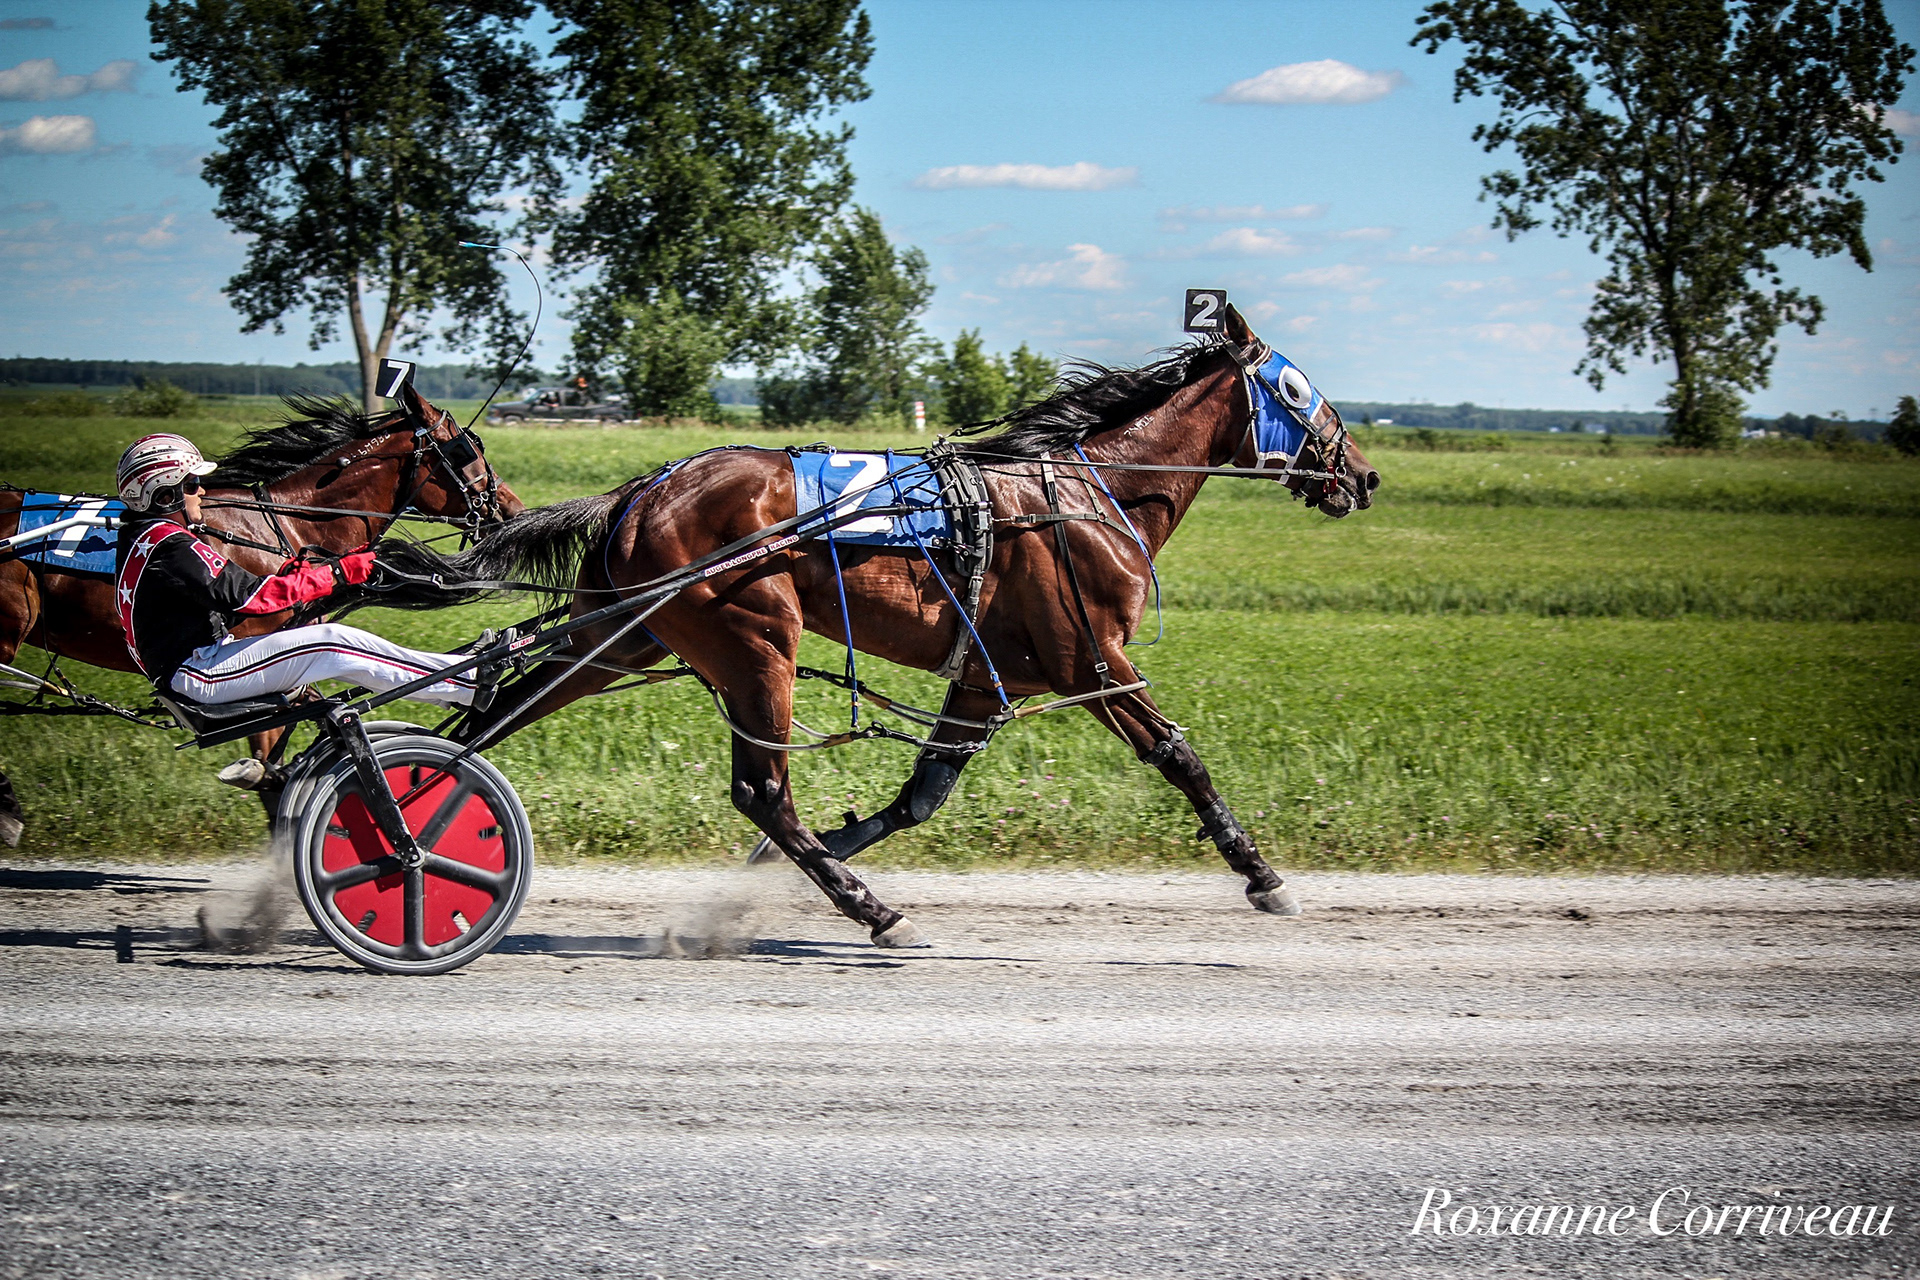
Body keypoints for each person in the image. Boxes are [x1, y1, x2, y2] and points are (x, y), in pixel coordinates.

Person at [113, 432, 499, 720]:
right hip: (201, 673)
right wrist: (337, 573)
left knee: (332, 644)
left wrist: (293, 573)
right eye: (192, 484)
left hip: (195, 666)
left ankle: (448, 679)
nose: (202, 490)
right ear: (165, 496)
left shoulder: (144, 538)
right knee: (332, 642)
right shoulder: (171, 546)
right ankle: (462, 682)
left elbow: (220, 594)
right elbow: (253, 598)